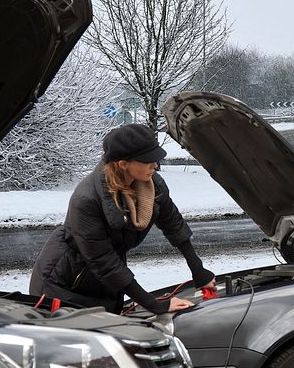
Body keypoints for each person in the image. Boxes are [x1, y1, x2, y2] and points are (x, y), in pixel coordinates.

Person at [29, 123, 215, 314]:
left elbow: (173, 224)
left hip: (106, 283)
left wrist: (198, 271)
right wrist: (155, 305)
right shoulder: (86, 200)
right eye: (148, 160)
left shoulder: (152, 185)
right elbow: (104, 261)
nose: (155, 165)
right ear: (123, 164)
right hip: (64, 286)